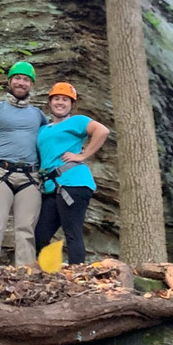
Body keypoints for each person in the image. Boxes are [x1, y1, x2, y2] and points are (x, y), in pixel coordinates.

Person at [0, 61, 48, 266]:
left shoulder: (38, 115)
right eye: (17, 78)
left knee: (26, 230)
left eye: (26, 79)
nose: (21, 83)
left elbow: (49, 142)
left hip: (30, 177)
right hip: (0, 173)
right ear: (9, 81)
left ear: (31, 85)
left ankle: (25, 277)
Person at [35, 82, 109, 265]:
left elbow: (102, 131)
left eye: (65, 100)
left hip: (74, 183)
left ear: (72, 104)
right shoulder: (44, 129)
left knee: (72, 233)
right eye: (56, 99)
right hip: (52, 186)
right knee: (39, 235)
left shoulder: (77, 121)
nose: (60, 102)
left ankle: (77, 276)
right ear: (50, 102)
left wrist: (83, 154)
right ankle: (49, 272)